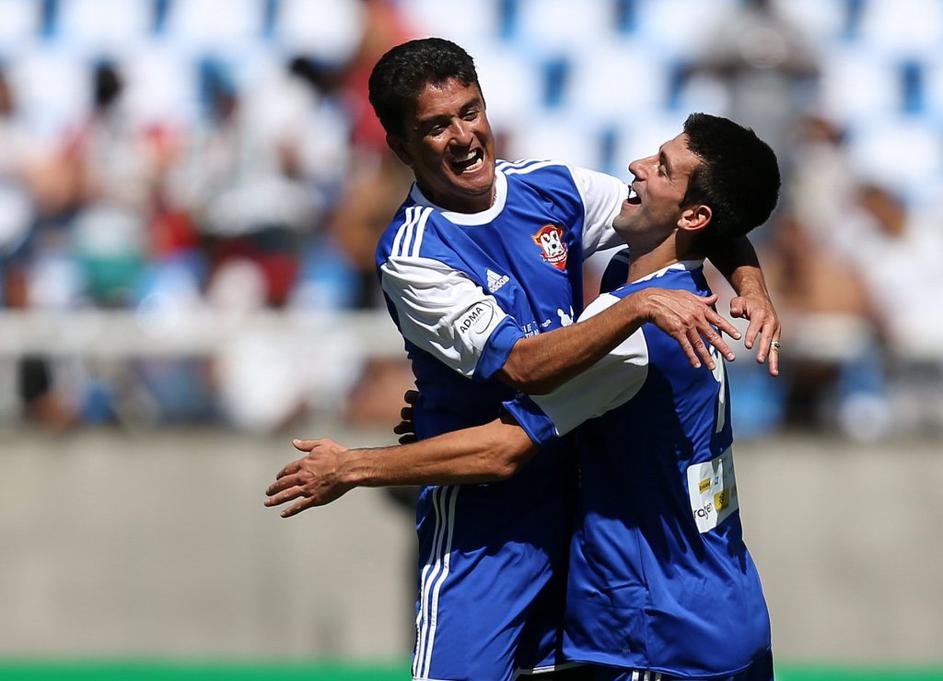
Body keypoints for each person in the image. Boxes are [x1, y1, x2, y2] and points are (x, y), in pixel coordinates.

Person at [270, 37, 781, 681]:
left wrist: (352, 466)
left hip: (618, 564)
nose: (463, 136)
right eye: (436, 126)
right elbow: (529, 363)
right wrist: (669, 300)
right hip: (495, 530)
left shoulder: (560, 202)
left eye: (470, 111)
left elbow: (697, 211)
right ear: (401, 147)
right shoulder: (415, 255)